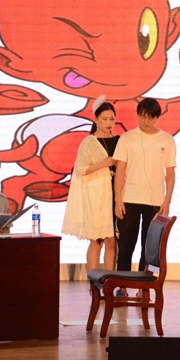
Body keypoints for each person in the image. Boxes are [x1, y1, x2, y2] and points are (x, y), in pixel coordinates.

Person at [113, 98, 176, 283]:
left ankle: (144, 287)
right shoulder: (127, 138)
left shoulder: (167, 140)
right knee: (125, 246)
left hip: (155, 200)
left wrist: (167, 200)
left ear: (157, 118)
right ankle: (121, 286)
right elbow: (119, 171)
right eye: (142, 117)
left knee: (150, 248)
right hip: (129, 198)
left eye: (150, 117)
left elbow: (170, 174)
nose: (146, 121)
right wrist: (118, 200)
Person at [62, 97, 118, 271]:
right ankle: (93, 282)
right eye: (104, 119)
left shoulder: (119, 140)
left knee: (112, 241)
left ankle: (109, 280)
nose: (108, 123)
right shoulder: (89, 142)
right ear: (96, 119)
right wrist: (104, 163)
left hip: (116, 195)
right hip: (97, 197)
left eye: (112, 119)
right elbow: (80, 169)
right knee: (96, 241)